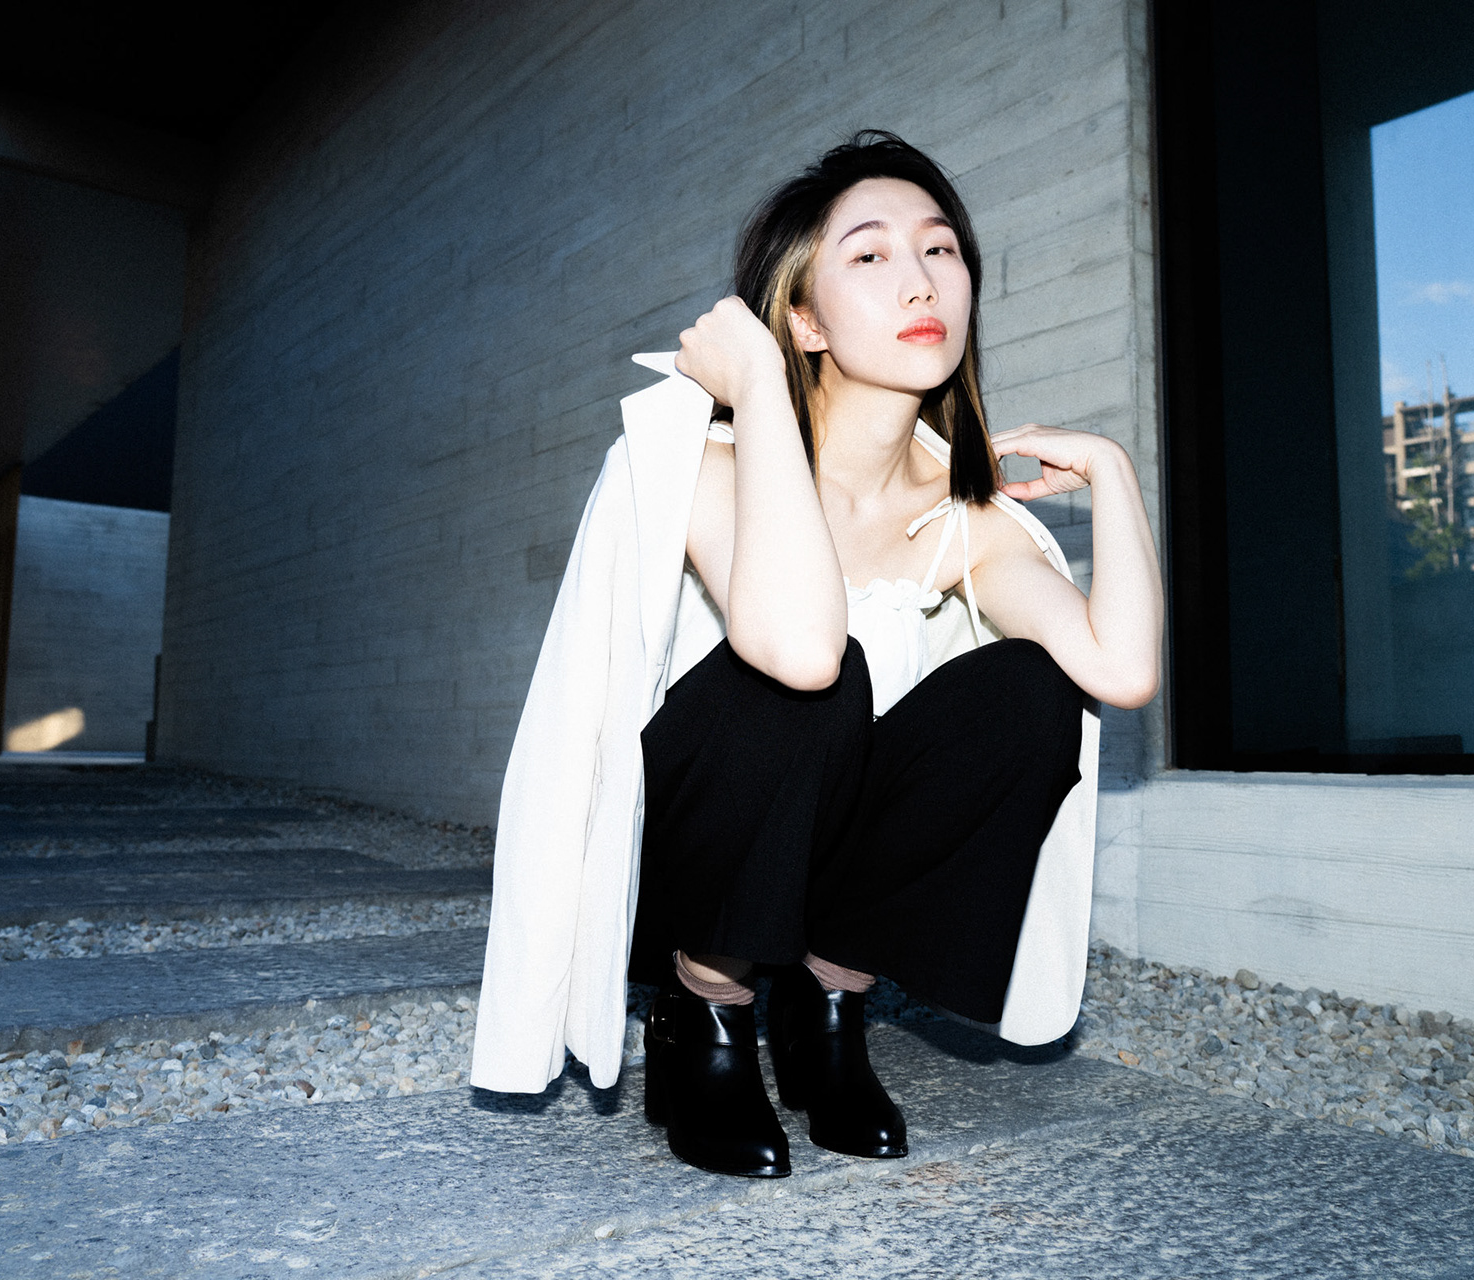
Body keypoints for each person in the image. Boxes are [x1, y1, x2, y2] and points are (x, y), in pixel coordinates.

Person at [469, 131, 1162, 1181]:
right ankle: (703, 1008)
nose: (920, 281)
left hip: (823, 878)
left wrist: (1114, 472)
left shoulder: (961, 518)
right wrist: (756, 384)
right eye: (870, 255)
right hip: (686, 864)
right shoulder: (703, 462)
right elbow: (794, 649)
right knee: (817, 679)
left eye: (940, 250)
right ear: (804, 319)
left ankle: (827, 1001)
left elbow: (1120, 670)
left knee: (1029, 689)